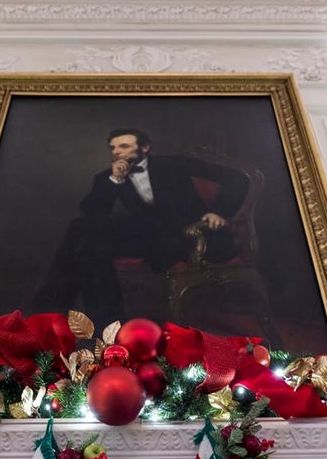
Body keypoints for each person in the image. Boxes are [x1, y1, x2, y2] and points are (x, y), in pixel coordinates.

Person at [34, 128, 250, 324]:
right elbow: (93, 213)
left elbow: (237, 179)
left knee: (88, 240)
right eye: (113, 148)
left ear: (145, 148)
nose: (117, 152)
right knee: (85, 234)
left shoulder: (173, 163)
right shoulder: (108, 176)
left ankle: (56, 311)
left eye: (124, 146)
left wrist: (219, 211)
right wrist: (115, 180)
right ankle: (102, 322)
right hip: (150, 236)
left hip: (187, 235)